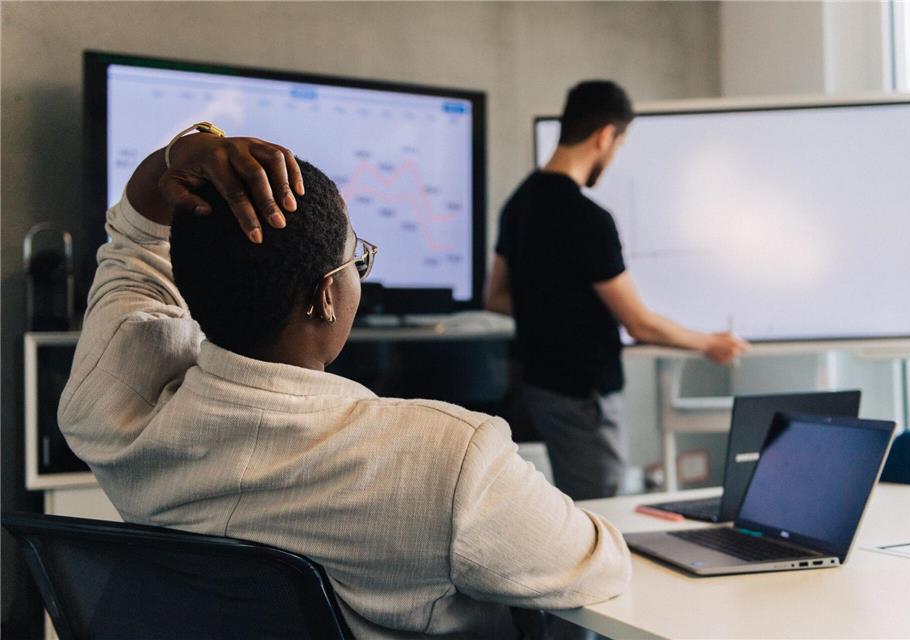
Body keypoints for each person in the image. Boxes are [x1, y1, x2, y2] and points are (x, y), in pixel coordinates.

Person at [58, 131, 630, 639]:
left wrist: (179, 152)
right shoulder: (449, 461)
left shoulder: (110, 411)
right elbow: (598, 565)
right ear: (324, 296)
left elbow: (133, 251)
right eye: (356, 258)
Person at [486, 81, 749, 501]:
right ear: (605, 135)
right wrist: (709, 343)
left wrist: (550, 304)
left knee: (572, 504)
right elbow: (639, 324)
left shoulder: (518, 204)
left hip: (538, 388)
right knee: (601, 511)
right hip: (583, 396)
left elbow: (494, 297)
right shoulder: (588, 219)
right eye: (619, 145)